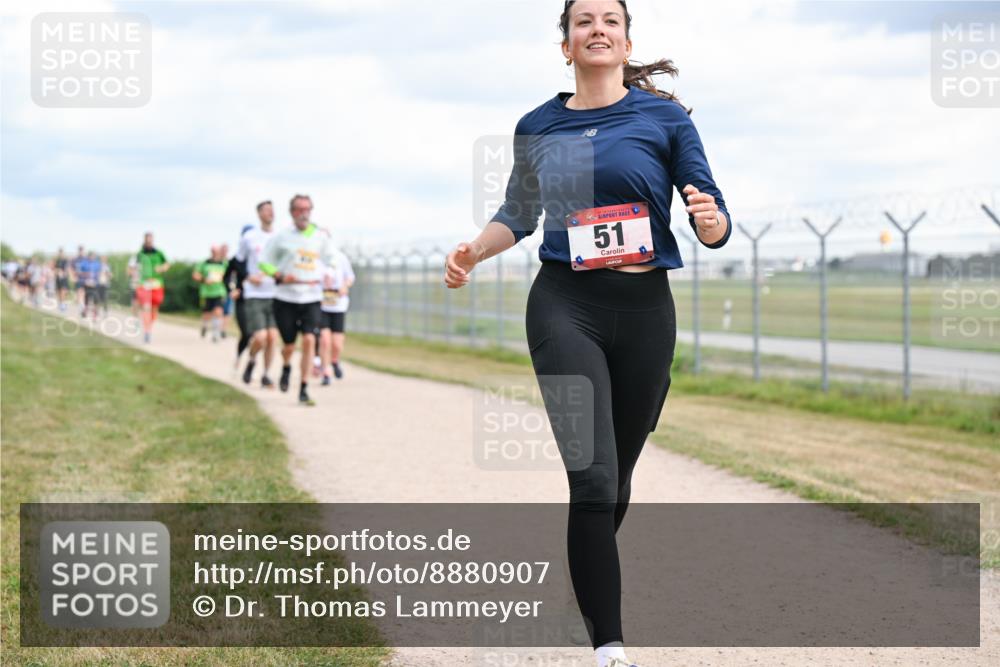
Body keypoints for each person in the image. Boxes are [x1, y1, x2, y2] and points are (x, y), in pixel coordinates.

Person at [444, 3, 732, 666]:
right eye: (583, 21)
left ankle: (585, 583)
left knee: (617, 478)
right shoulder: (538, 124)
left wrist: (709, 218)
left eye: (610, 19)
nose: (596, 28)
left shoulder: (664, 119)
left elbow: (712, 220)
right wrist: (471, 252)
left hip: (645, 312)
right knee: (595, 480)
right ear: (566, 45)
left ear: (627, 40)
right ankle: (609, 645)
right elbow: (517, 212)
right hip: (564, 305)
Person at [258, 194, 337, 406]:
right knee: (289, 345)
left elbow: (332, 259)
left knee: (310, 339)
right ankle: (286, 366)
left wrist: (329, 272)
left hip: (311, 296)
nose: (304, 214)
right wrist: (279, 275)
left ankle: (303, 387)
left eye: (308, 209)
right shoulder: (282, 236)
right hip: (285, 297)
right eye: (300, 210)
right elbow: (264, 262)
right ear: (292, 212)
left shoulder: (320, 236)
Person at [237, 201, 280, 389]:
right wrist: (248, 277)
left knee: (273, 337)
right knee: (261, 336)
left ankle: (266, 374)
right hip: (255, 293)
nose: (270, 213)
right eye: (266, 210)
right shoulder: (250, 237)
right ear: (259, 213)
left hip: (276, 293)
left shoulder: (280, 237)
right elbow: (237, 262)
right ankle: (252, 359)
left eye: (272, 210)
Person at [317, 248, 355, 385]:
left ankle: (334, 361)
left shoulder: (340, 257)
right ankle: (325, 372)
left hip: (338, 304)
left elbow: (350, 277)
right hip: (321, 305)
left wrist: (345, 286)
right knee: (325, 340)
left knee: (337, 343)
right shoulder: (315, 257)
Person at [224, 226, 253, 367]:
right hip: (242, 300)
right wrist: (232, 289)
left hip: (259, 300)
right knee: (247, 333)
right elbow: (227, 277)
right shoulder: (236, 260)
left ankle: (252, 361)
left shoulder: (263, 259)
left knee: (258, 335)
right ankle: (239, 357)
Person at [135, 232, 170, 343]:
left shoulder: (159, 253)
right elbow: (134, 267)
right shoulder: (140, 254)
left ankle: (149, 324)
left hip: (157, 284)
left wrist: (162, 268)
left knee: (155, 307)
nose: (149, 242)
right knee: (146, 307)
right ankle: (147, 331)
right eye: (147, 240)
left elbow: (167, 264)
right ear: (145, 240)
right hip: (144, 283)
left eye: (151, 240)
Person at [193, 245, 228, 342]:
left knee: (218, 312)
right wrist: (204, 280)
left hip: (220, 291)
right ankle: (204, 326)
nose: (215, 253)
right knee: (207, 314)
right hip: (206, 292)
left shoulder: (224, 263)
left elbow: (230, 274)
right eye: (213, 251)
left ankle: (216, 333)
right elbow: (195, 275)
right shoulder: (204, 263)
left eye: (216, 251)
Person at [70, 245, 88, 316]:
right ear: (78, 251)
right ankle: (81, 308)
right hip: (77, 279)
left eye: (82, 250)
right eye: (80, 250)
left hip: (84, 279)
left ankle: (83, 309)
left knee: (83, 294)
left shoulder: (86, 259)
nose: (81, 252)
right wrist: (72, 276)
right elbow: (71, 268)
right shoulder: (75, 259)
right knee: (79, 295)